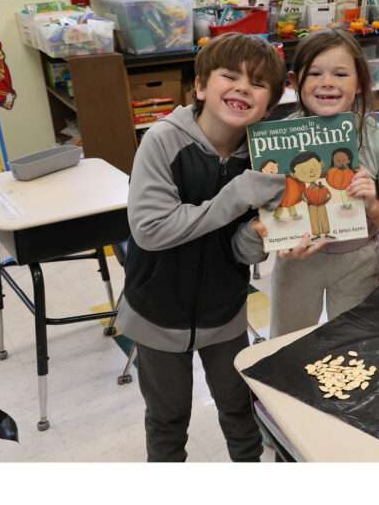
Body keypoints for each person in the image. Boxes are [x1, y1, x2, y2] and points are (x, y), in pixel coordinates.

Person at [117, 32, 289, 462]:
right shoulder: (162, 141)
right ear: (199, 86)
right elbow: (151, 230)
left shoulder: (262, 155)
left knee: (238, 407)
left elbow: (243, 252)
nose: (242, 88)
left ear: (269, 104)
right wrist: (237, 195)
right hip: (156, 311)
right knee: (168, 417)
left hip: (225, 311)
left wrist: (257, 235)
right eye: (229, 76)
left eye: (258, 83)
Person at [268, 28, 379, 338]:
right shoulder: (279, 140)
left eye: (340, 74)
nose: (327, 82)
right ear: (294, 81)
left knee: (356, 343)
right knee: (286, 342)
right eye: (314, 73)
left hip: (358, 262)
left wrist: (372, 205)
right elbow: (272, 207)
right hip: (297, 261)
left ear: (359, 82)